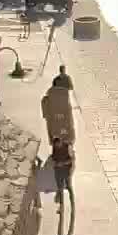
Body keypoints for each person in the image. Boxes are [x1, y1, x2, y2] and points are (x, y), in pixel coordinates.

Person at [41, 68, 76, 199]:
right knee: (65, 156)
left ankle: (61, 187)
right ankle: (65, 185)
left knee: (59, 156)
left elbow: (46, 114)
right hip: (63, 134)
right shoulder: (62, 97)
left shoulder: (50, 97)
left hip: (56, 133)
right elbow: (67, 117)